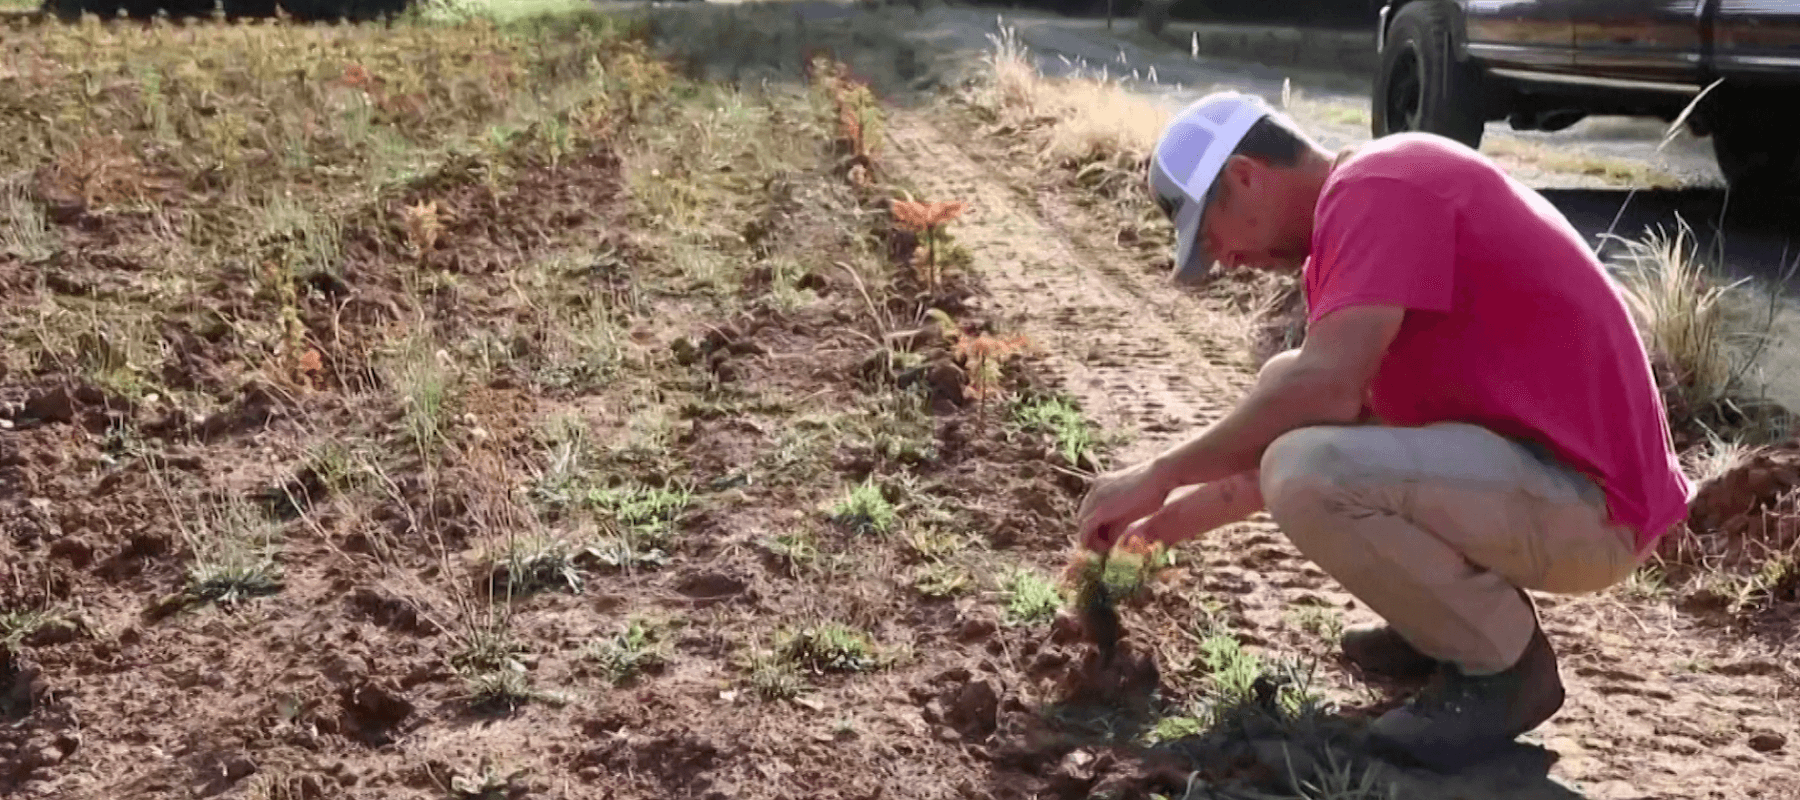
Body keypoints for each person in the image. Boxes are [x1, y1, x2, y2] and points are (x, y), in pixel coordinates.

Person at [1076, 90, 1694, 772]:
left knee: (1307, 462)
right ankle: (1443, 629)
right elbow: (1299, 439)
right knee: (1298, 416)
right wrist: (1150, 531)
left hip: (1593, 504)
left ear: (1246, 174)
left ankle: (1504, 668)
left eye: (1212, 234)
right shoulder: (1360, 225)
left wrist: (1159, 473)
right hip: (1546, 485)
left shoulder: (1377, 188)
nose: (1223, 259)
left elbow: (1320, 406)